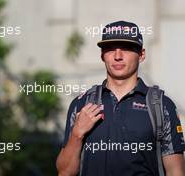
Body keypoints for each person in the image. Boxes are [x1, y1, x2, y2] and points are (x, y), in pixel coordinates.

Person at [56, 21, 185, 176]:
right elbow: (65, 172)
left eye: (126, 48)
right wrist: (77, 134)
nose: (117, 56)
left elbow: (175, 171)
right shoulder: (82, 103)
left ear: (141, 55)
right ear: (102, 55)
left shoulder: (161, 106)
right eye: (110, 49)